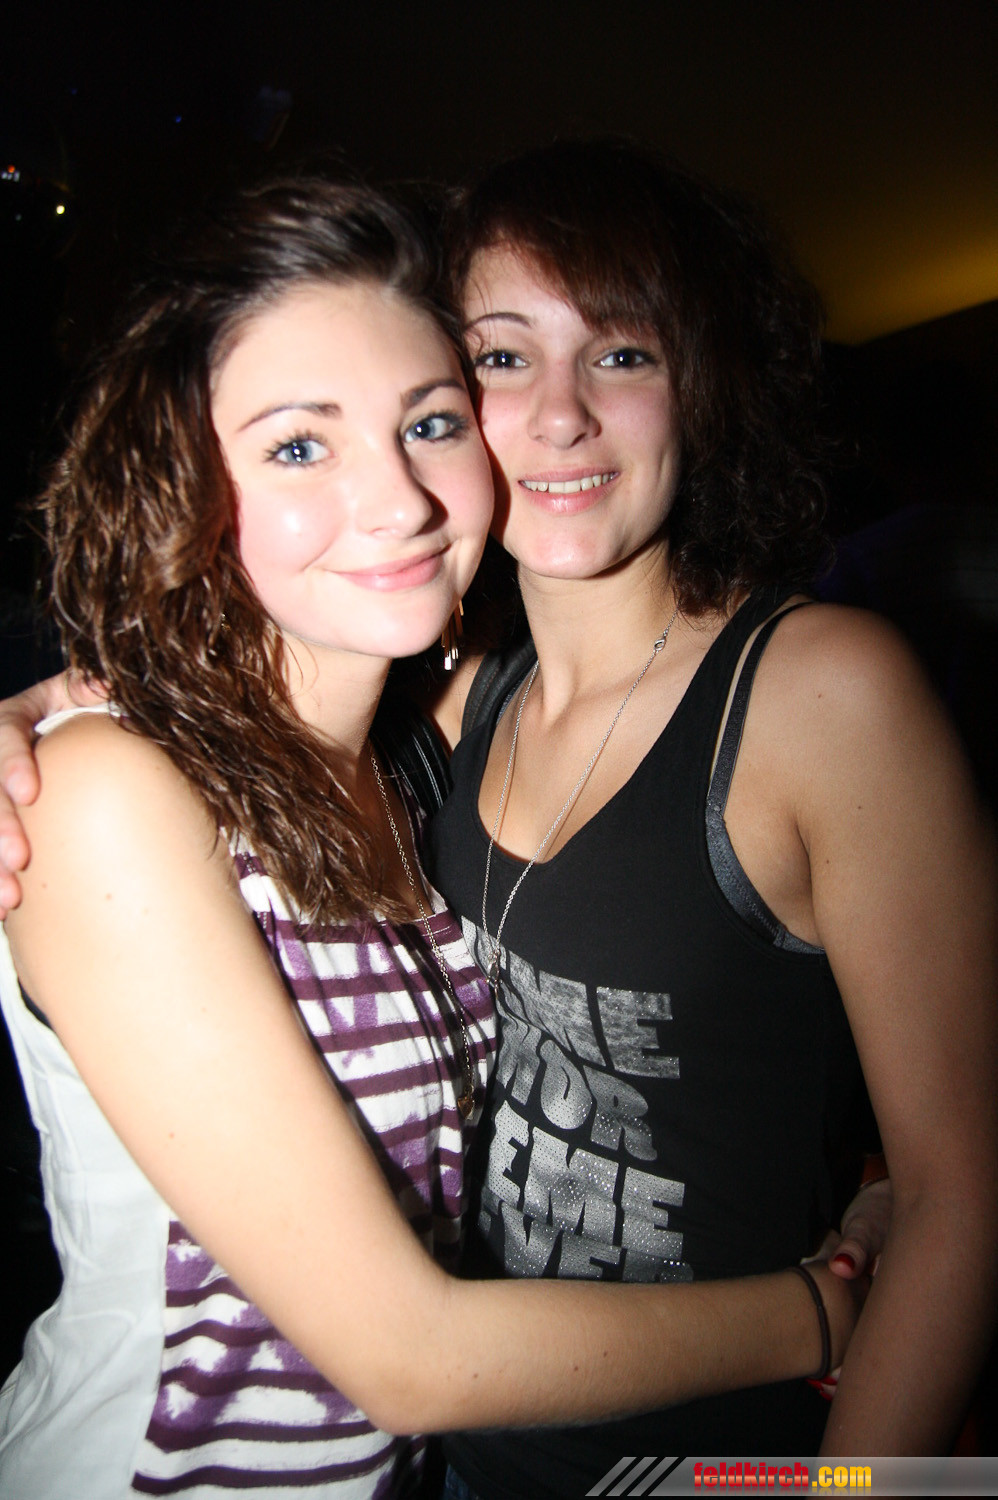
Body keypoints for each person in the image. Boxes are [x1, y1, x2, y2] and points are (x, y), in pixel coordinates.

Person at [0, 174, 865, 1500]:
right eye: (299, 446)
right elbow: (412, 1359)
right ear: (185, 487)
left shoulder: (410, 766)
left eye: (430, 422)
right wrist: (824, 1309)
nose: (400, 498)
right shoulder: (113, 791)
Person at [417, 141, 997, 1484]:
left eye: (621, 354)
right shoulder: (457, 688)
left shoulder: (823, 695)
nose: (561, 415)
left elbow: (960, 1197)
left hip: (721, 1457)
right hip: (450, 1443)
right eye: (503, 357)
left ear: (702, 386)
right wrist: (40, 714)